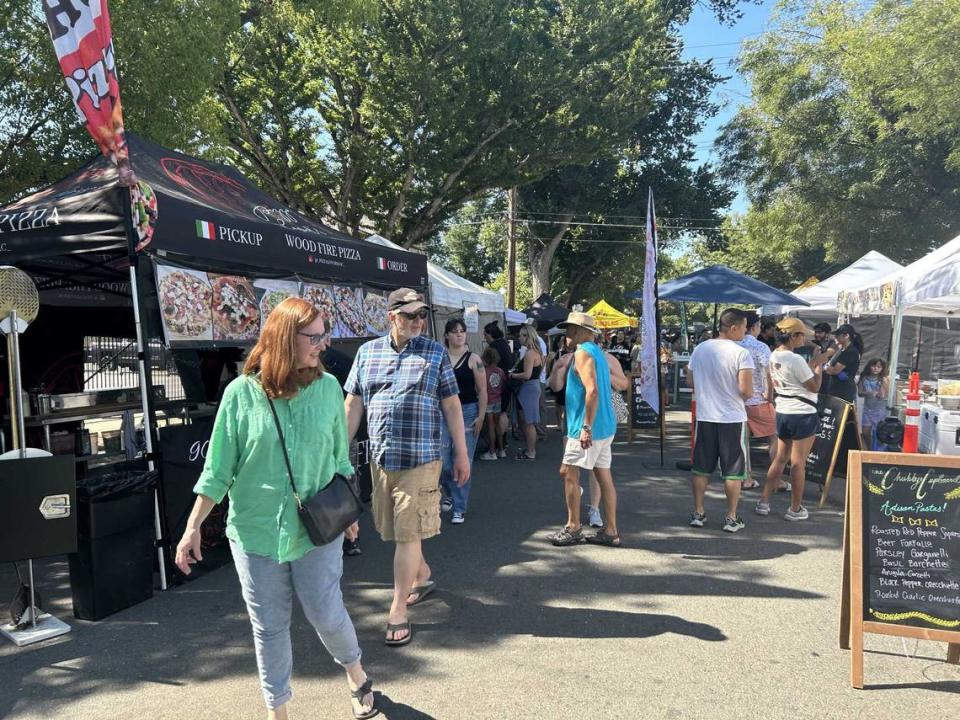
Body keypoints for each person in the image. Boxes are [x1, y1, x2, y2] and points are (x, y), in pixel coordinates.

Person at [175, 298, 377, 720]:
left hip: (317, 528)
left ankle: (356, 672)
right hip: (254, 530)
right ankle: (277, 710)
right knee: (268, 627)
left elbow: (340, 458)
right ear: (285, 338)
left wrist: (348, 512)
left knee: (325, 612)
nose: (323, 345)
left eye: (324, 335)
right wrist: (193, 525)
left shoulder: (327, 389)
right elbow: (217, 470)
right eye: (314, 336)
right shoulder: (240, 394)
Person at [344, 288, 469, 648]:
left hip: (422, 458)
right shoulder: (367, 354)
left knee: (405, 534)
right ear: (392, 317)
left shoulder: (435, 352)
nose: (417, 322)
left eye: (421, 316)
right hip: (381, 460)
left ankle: (397, 610)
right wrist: (338, 453)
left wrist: (461, 453)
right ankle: (423, 574)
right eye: (410, 315)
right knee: (395, 529)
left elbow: (452, 406)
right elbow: (353, 405)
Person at [548, 311, 621, 547]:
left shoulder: (582, 353)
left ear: (580, 332)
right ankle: (610, 531)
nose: (566, 334)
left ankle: (573, 527)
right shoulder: (597, 353)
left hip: (588, 427)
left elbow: (592, 391)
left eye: (569, 330)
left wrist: (586, 427)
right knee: (603, 476)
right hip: (603, 426)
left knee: (569, 472)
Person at [686, 308, 754, 533]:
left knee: (701, 468)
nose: (746, 331)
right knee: (734, 471)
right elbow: (746, 391)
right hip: (732, 418)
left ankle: (698, 512)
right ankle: (731, 516)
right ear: (733, 328)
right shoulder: (741, 353)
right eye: (744, 327)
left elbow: (690, 380)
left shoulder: (700, 348)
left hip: (706, 416)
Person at [756, 318, 829, 521]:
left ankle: (764, 501)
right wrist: (818, 367)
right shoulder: (794, 359)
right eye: (801, 334)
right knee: (798, 463)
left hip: (783, 411)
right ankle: (795, 508)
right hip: (803, 413)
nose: (803, 338)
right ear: (793, 336)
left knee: (780, 458)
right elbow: (814, 387)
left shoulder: (774, 355)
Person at [439, 318, 487, 524]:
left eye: (462, 331)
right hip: (442, 412)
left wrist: (481, 416)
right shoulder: (440, 357)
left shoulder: (474, 359)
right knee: (442, 461)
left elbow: (483, 390)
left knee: (463, 459)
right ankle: (449, 491)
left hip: (468, 411)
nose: (459, 334)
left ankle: (460, 507)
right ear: (447, 335)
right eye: (455, 331)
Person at [738, 312, 777, 491]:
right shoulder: (760, 347)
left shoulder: (732, 345)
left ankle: (746, 477)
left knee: (742, 440)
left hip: (737, 400)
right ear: (753, 327)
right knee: (775, 437)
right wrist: (770, 396)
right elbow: (768, 374)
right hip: (759, 400)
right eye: (759, 325)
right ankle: (776, 478)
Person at [510, 325, 544, 459]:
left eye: (521, 335)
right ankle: (530, 449)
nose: (519, 337)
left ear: (527, 336)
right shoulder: (538, 352)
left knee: (529, 422)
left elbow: (527, 375)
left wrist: (513, 375)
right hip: (532, 387)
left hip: (528, 387)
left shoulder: (530, 353)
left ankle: (531, 451)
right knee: (528, 421)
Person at [483, 321, 514, 458]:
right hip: (502, 391)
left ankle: (493, 449)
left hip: (492, 398)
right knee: (501, 416)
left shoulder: (494, 346)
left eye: (485, 334)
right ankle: (502, 446)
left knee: (492, 423)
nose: (484, 337)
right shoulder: (505, 344)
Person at [823, 323, 862, 403]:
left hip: (843, 391)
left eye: (837, 335)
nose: (835, 337)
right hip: (835, 389)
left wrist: (826, 367)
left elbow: (834, 370)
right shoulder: (841, 350)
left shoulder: (851, 351)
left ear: (846, 336)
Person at [479, 347, 506, 461]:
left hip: (488, 401)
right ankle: (501, 450)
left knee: (490, 427)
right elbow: (503, 384)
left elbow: (480, 388)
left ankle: (492, 452)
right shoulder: (500, 371)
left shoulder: (484, 372)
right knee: (498, 426)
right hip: (498, 400)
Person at [858, 358, 889, 450]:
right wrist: (869, 393)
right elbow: (860, 393)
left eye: (879, 367)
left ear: (882, 369)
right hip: (867, 410)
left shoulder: (883, 379)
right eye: (874, 366)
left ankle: (877, 451)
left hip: (879, 411)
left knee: (879, 433)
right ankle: (868, 449)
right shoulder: (864, 378)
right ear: (869, 366)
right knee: (865, 432)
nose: (876, 369)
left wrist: (880, 393)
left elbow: (884, 395)